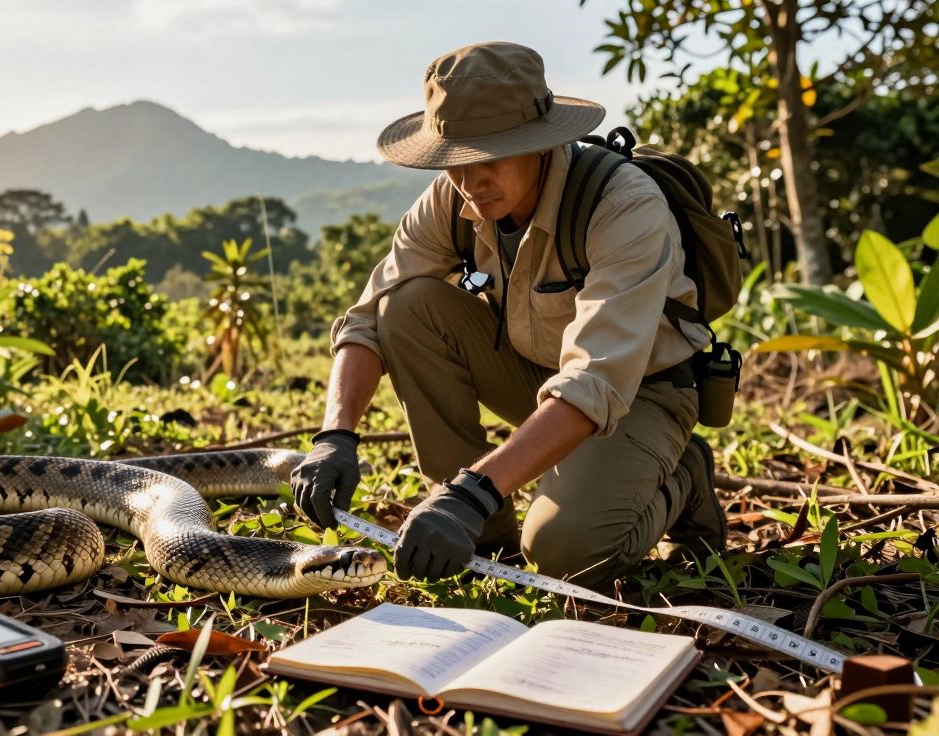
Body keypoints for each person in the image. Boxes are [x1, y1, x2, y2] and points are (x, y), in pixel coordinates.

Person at [291, 41, 727, 590]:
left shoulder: (623, 206)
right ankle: (481, 529)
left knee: (566, 554)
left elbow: (596, 380)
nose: (471, 183)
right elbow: (367, 317)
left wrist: (471, 491)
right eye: (457, 162)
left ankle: (681, 476)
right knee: (404, 308)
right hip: (537, 376)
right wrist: (336, 436)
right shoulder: (454, 199)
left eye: (492, 159)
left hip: (640, 392)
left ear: (542, 145)